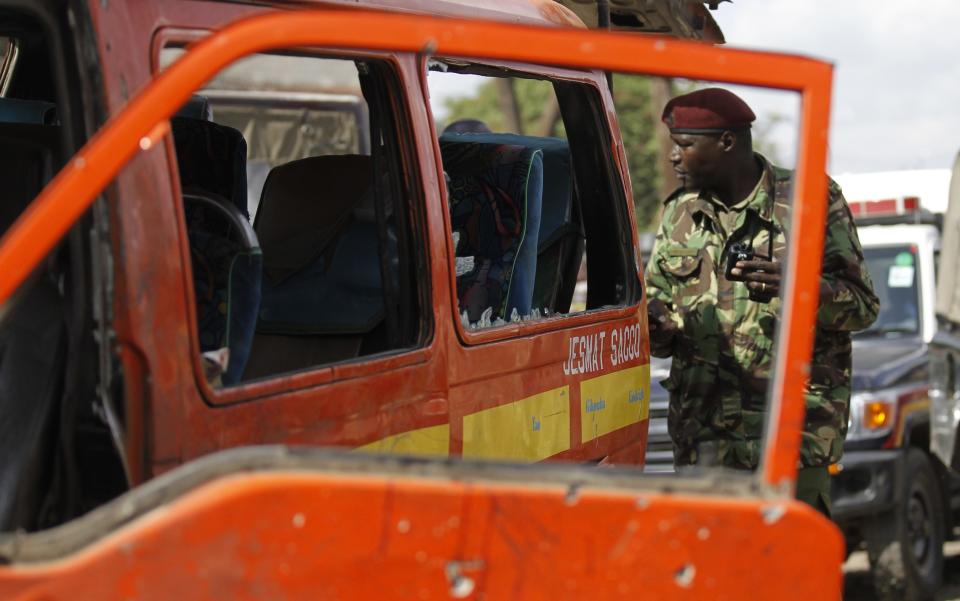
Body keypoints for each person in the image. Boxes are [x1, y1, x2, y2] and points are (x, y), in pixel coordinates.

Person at [645, 87, 879, 516]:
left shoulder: (811, 200)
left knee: (792, 578)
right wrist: (659, 325)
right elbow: (660, 307)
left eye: (685, 146)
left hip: (790, 442)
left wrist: (801, 289)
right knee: (711, 578)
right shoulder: (680, 212)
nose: (674, 158)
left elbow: (863, 305)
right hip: (704, 444)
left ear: (727, 142)